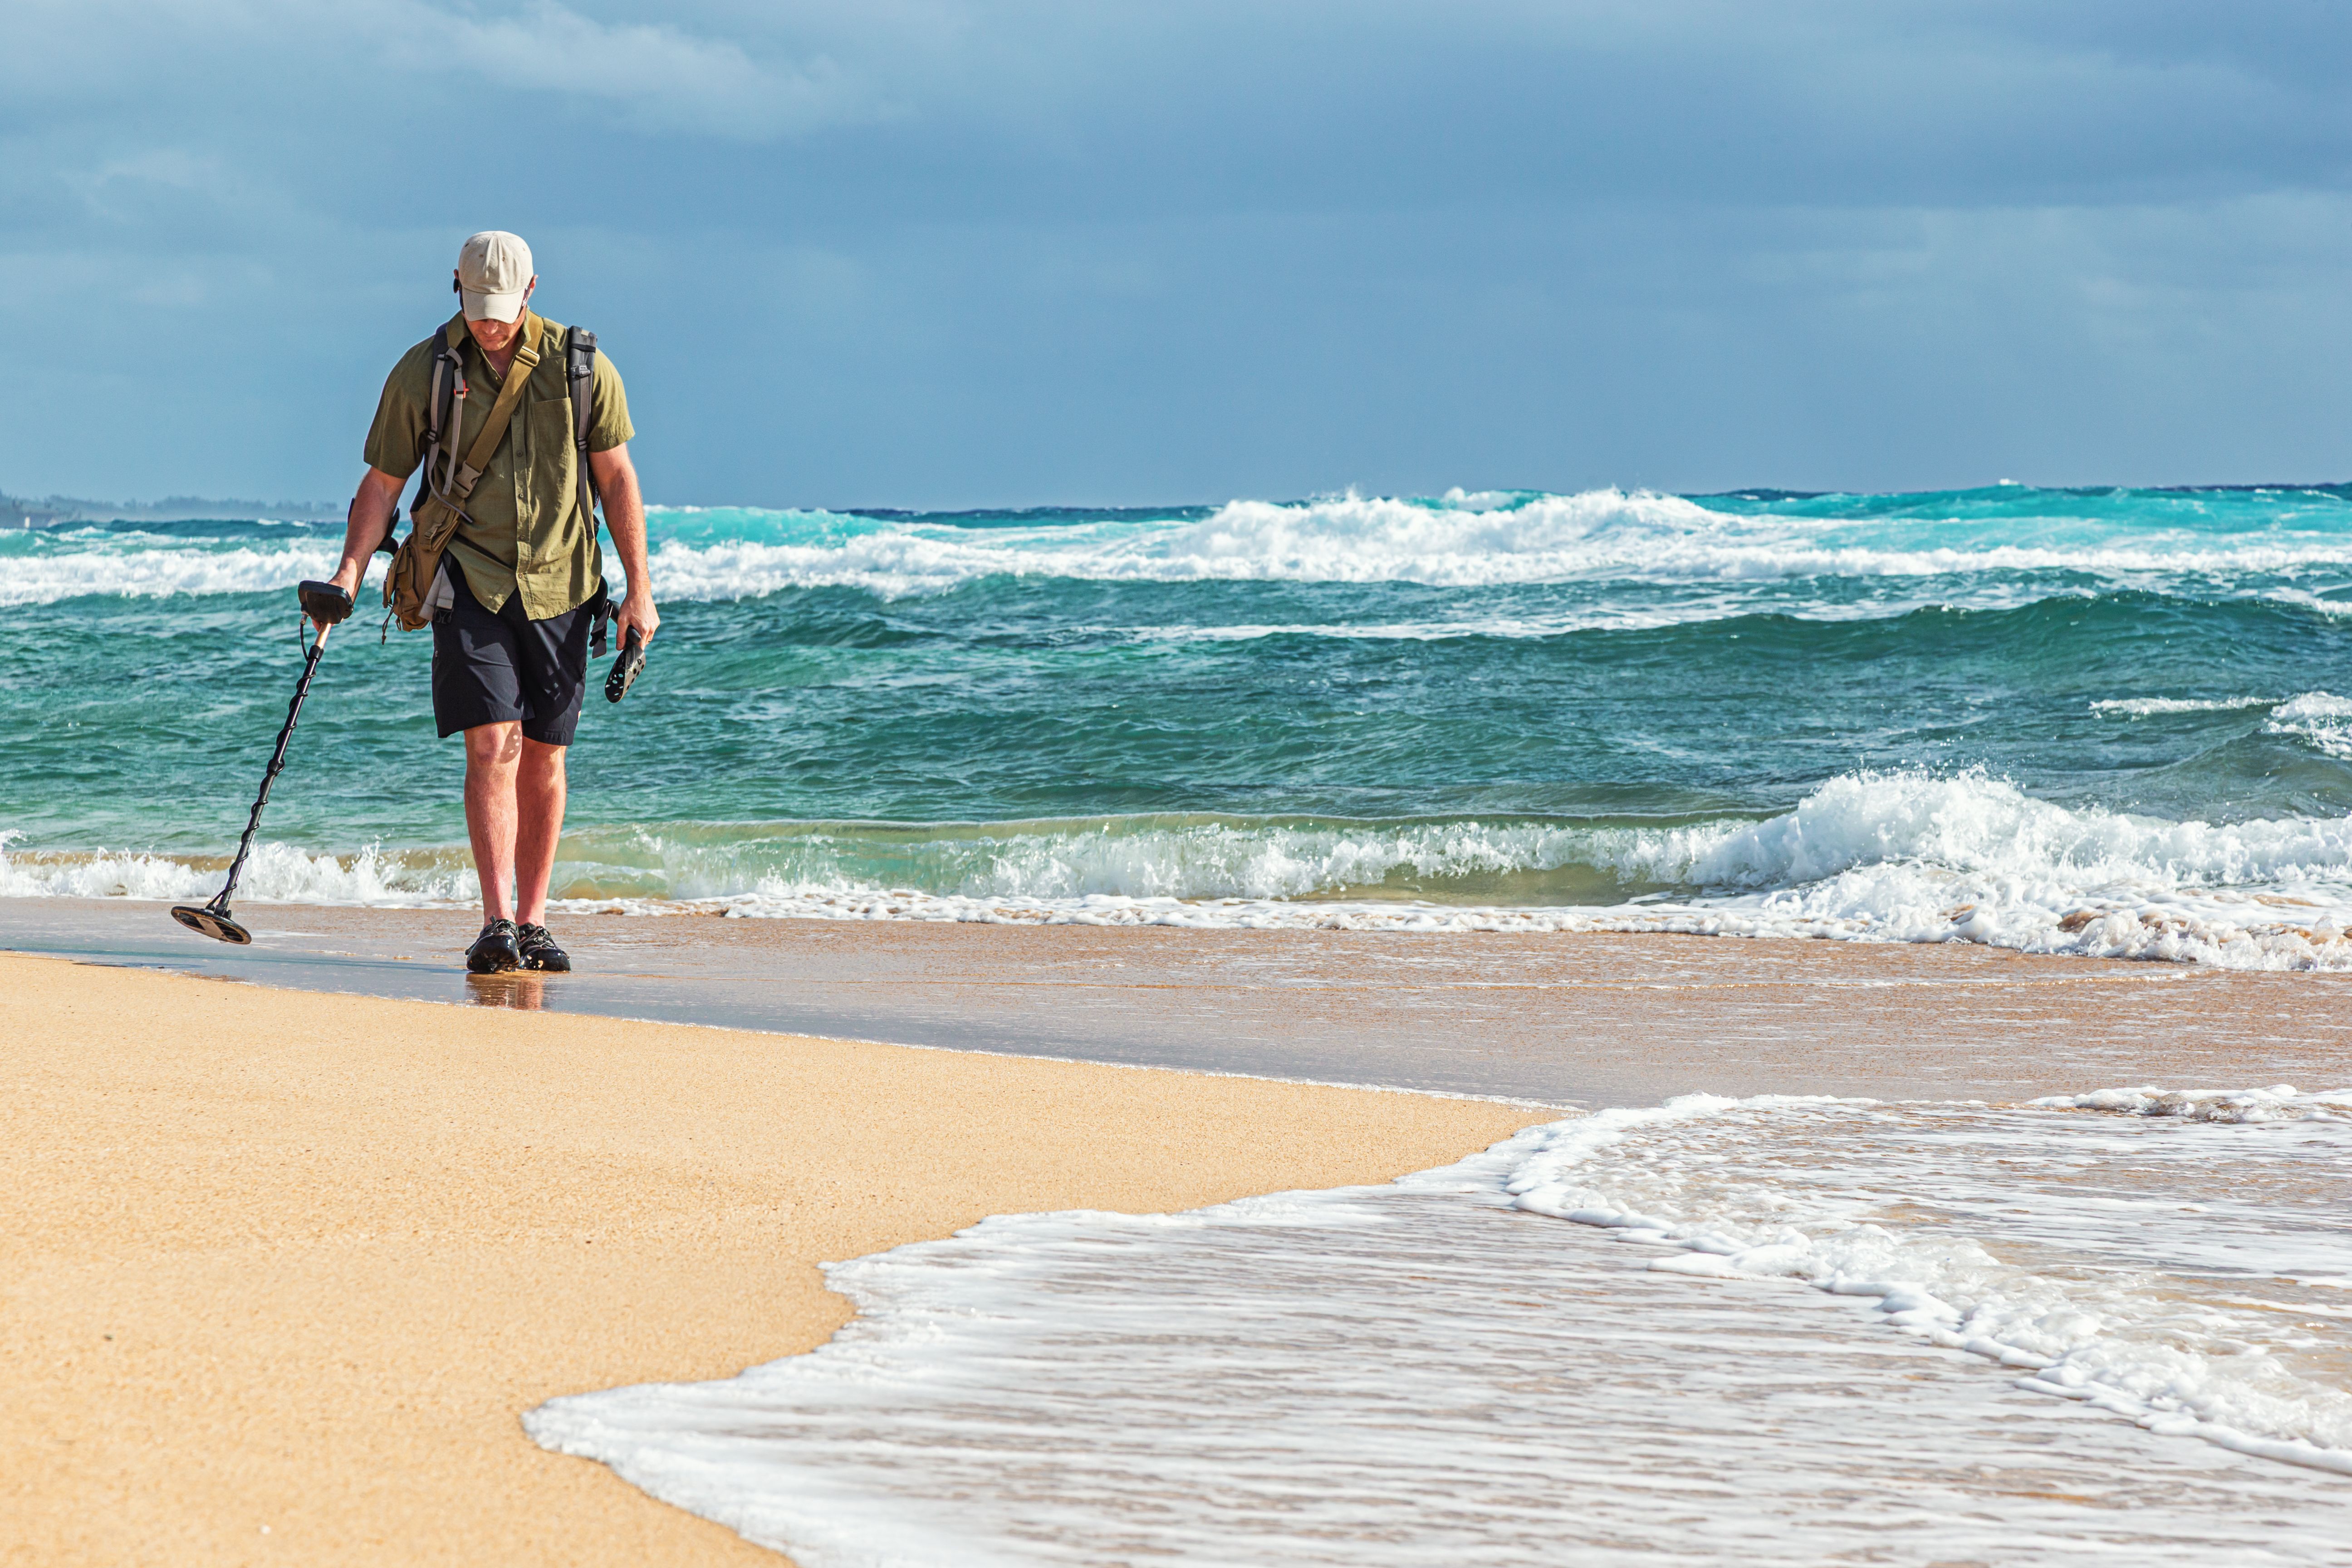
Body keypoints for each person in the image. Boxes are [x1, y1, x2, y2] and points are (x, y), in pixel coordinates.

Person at [311, 230, 658, 975]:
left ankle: (535, 922)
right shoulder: (427, 370)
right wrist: (346, 574)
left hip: (565, 583)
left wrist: (641, 591)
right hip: (470, 580)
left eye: (502, 309)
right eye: (476, 308)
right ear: (457, 290)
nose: (489, 323)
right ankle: (496, 920)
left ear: (531, 290)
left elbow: (618, 479)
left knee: (545, 757)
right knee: (491, 745)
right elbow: (382, 485)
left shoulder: (582, 368)